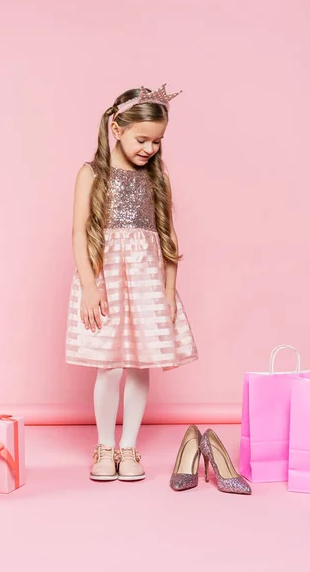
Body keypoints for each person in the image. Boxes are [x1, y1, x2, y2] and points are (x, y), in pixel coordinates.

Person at [65, 84, 198, 482]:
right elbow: (77, 233)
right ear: (116, 127)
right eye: (143, 139)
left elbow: (169, 238)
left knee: (141, 365)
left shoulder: (158, 179)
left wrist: (169, 293)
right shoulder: (92, 173)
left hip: (146, 281)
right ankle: (105, 445)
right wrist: (90, 286)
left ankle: (129, 447)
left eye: (157, 142)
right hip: (105, 278)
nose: (149, 149)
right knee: (108, 365)